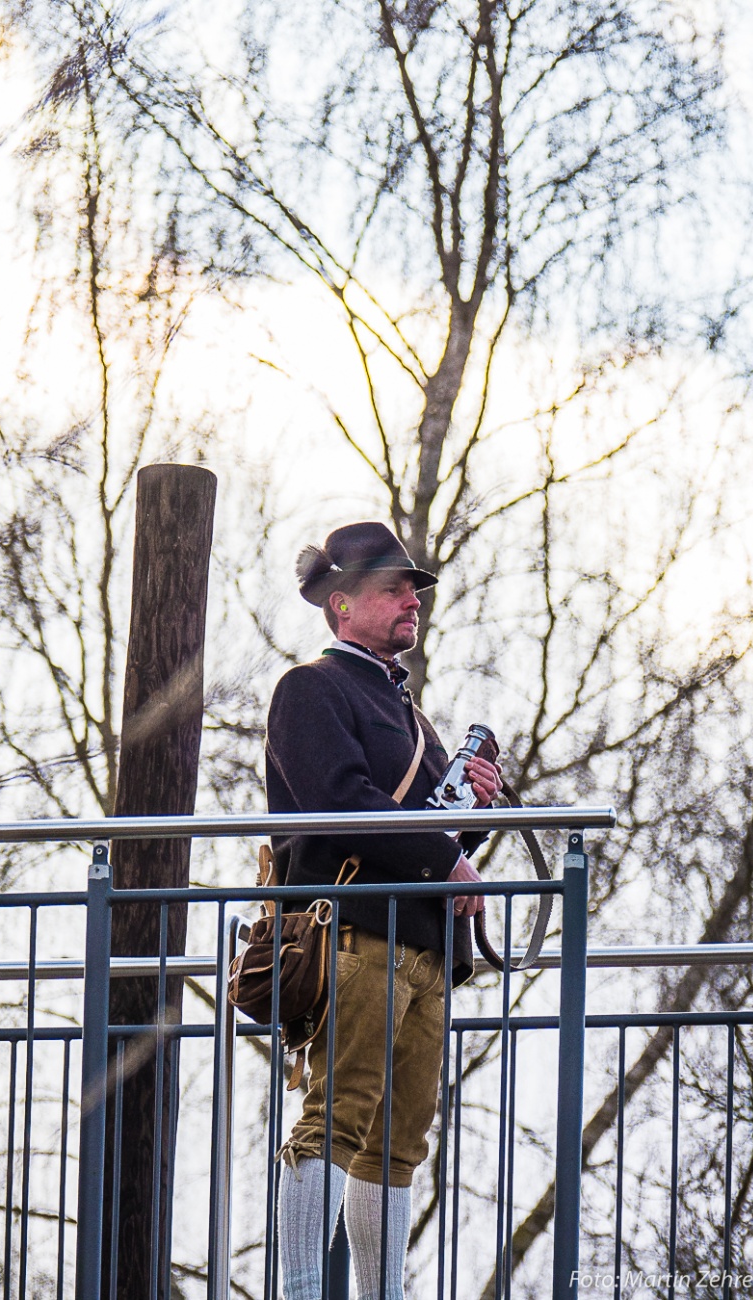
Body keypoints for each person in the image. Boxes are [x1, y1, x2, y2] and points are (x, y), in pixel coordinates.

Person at [265, 521, 502, 1300]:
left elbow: (425, 838)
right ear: (341, 604)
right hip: (355, 934)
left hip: (424, 946)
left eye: (412, 590)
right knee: (335, 1119)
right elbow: (340, 804)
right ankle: (301, 1290)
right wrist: (447, 853)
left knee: (399, 1141)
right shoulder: (311, 689)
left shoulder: (410, 717)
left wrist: (469, 814)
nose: (411, 600)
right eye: (393, 589)